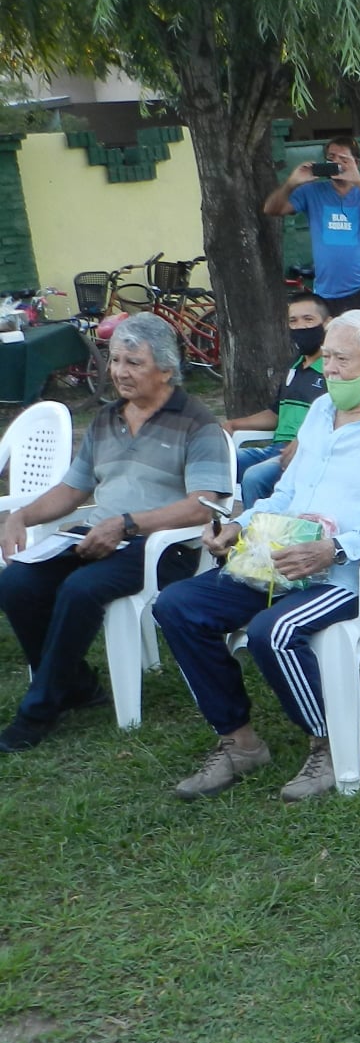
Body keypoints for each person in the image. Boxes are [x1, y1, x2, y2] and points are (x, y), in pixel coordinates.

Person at [155, 311, 360, 802]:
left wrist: (334, 549)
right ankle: (239, 743)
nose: (328, 368)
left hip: (354, 574)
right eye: (326, 357)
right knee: (177, 606)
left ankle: (330, 743)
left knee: (274, 630)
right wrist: (239, 526)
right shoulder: (321, 411)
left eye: (341, 359)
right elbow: (285, 495)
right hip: (284, 561)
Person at [0, 314, 230, 752]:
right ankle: (78, 686)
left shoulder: (197, 423)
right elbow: (72, 490)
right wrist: (20, 516)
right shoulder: (107, 418)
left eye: (134, 362)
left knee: (80, 588)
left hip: (162, 547)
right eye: (115, 360)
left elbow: (203, 505)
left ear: (166, 369)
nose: (120, 371)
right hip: (96, 534)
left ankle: (38, 710)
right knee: (16, 581)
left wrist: (128, 523)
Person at [262, 135, 360, 328]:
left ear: (356, 163)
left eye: (343, 159)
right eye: (331, 158)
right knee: (333, 345)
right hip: (328, 293)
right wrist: (292, 183)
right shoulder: (311, 192)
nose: (336, 163)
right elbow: (271, 209)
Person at [224, 293, 329, 506]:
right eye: (293, 321)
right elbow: (276, 414)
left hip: (304, 453)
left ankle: (256, 527)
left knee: (254, 477)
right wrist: (233, 424)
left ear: (327, 323)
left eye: (308, 319)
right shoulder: (295, 366)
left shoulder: (332, 370)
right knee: (216, 462)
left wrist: (304, 441)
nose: (300, 327)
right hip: (274, 449)